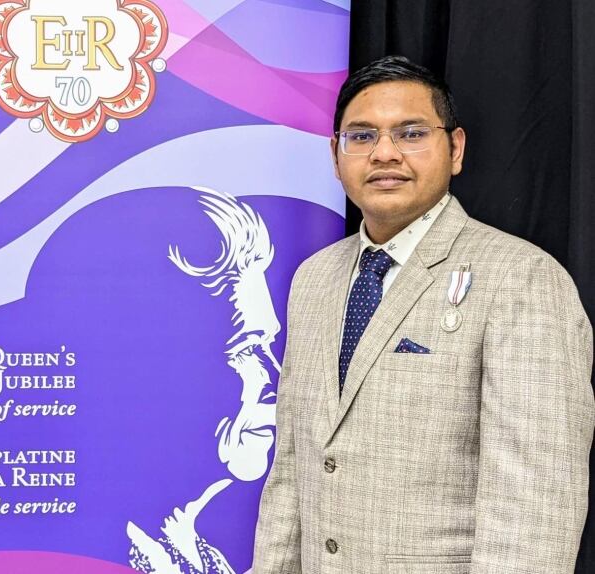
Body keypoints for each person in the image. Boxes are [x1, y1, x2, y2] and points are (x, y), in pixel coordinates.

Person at [252, 55, 594, 574]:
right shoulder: (313, 278)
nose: (384, 153)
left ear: (454, 149)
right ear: (336, 154)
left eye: (410, 133)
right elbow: (292, 472)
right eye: (361, 137)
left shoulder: (521, 279)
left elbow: (535, 505)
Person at [128, 189, 281, 574]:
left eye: (268, 345)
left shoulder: (203, 554)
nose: (275, 377)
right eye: (247, 348)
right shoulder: (113, 553)